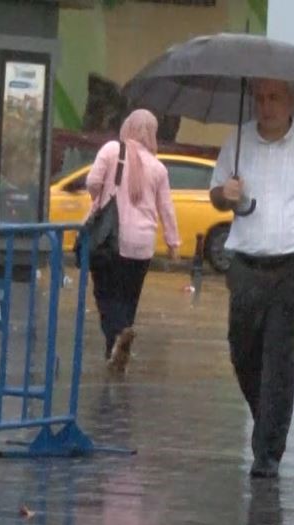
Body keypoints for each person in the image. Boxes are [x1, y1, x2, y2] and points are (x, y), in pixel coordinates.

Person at [210, 78, 294, 479]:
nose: (265, 106)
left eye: (274, 98)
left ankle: (267, 452)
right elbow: (215, 195)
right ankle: (268, 417)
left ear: (291, 101)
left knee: (280, 358)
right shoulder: (237, 141)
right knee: (243, 350)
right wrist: (225, 195)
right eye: (259, 98)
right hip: (247, 263)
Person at [86, 109, 180, 369]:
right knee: (129, 297)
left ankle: (118, 334)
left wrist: (102, 196)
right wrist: (173, 243)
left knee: (105, 294)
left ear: (128, 126)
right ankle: (116, 349)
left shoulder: (111, 150)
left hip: (110, 239)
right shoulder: (158, 168)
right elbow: (166, 207)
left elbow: (93, 182)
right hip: (142, 245)